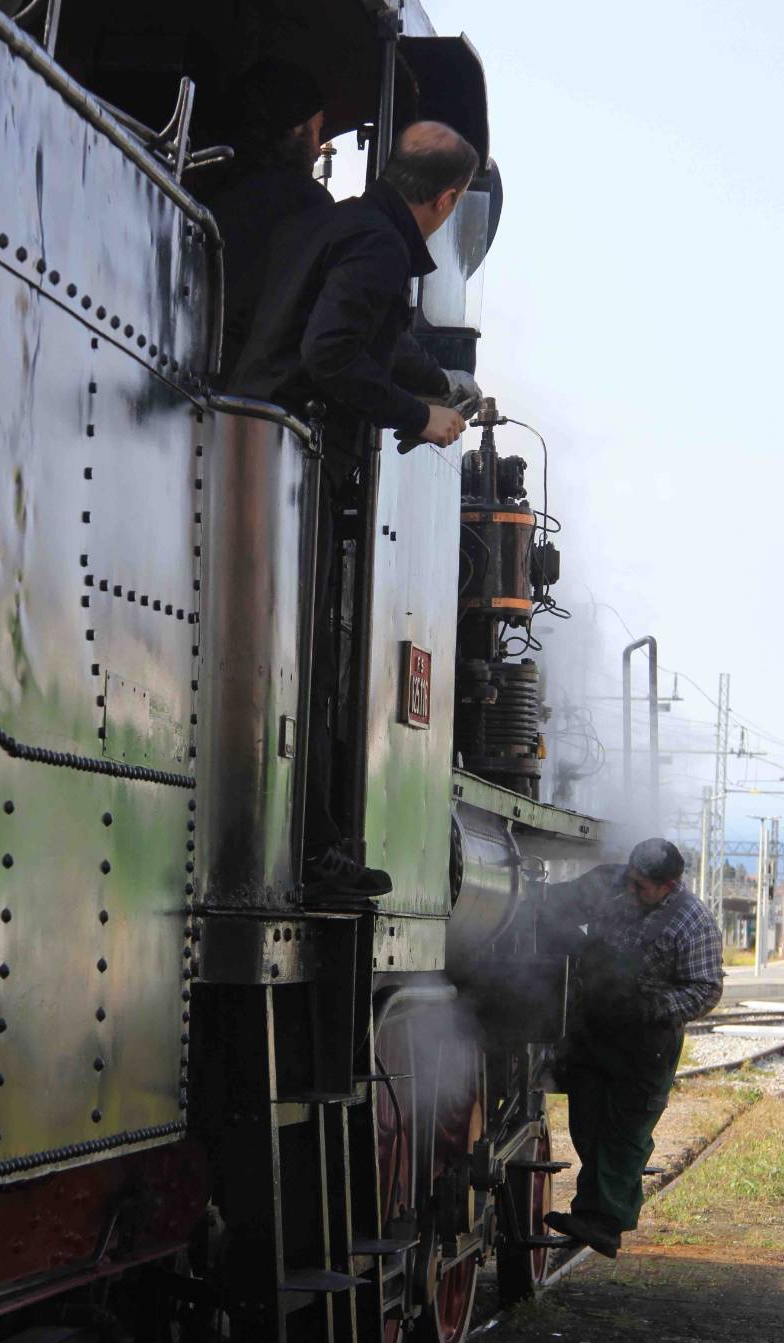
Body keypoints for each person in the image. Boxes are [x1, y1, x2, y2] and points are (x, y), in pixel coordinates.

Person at [231, 121, 480, 901]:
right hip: (293, 465)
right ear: (446, 199)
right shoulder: (376, 248)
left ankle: (319, 840)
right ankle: (313, 850)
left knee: (302, 668)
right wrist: (419, 417)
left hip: (269, 454)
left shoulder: (344, 221)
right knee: (307, 671)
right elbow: (331, 355)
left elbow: (378, 335)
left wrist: (438, 386)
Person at [542, 839, 724, 1258]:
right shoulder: (611, 883)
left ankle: (605, 1222)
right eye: (630, 880)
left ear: (669, 885)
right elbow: (563, 903)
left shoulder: (693, 923)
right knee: (588, 1124)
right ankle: (590, 1213)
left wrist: (650, 1006)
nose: (631, 891)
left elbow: (707, 990)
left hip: (646, 1041)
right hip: (596, 1030)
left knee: (625, 1134)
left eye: (641, 887)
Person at [196, 60, 332, 382]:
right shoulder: (307, 203)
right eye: (318, 132)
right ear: (295, 129)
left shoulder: (210, 188)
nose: (317, 150)